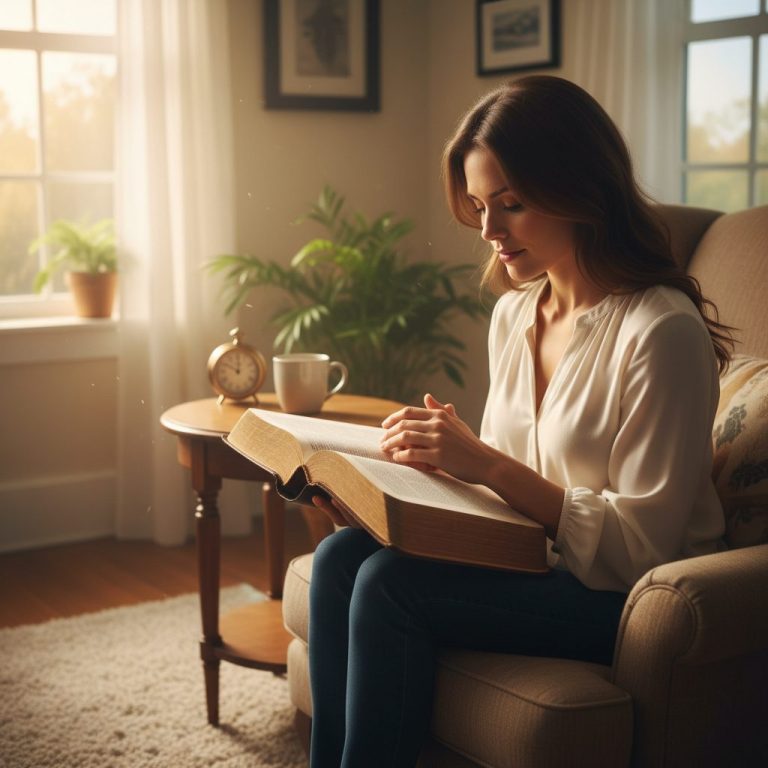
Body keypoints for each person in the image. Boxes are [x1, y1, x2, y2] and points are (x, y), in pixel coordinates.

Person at [306, 75, 732, 768]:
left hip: (620, 597)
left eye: (512, 204)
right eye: (478, 205)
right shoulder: (513, 316)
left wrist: (483, 462)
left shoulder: (660, 332)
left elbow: (644, 548)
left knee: (391, 586)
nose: (489, 231)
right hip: (531, 562)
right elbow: (494, 500)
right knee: (340, 558)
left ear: (580, 190)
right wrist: (394, 502)